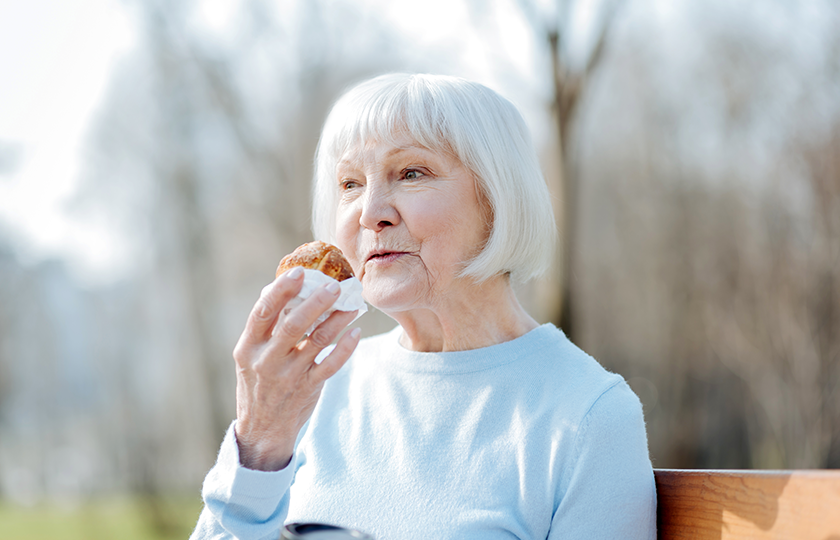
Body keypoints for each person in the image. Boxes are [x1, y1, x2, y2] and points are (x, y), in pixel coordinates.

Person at [191, 73, 656, 540]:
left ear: (498, 197)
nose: (370, 211)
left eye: (411, 173)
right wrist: (256, 446)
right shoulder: (315, 387)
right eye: (350, 183)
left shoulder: (590, 417)